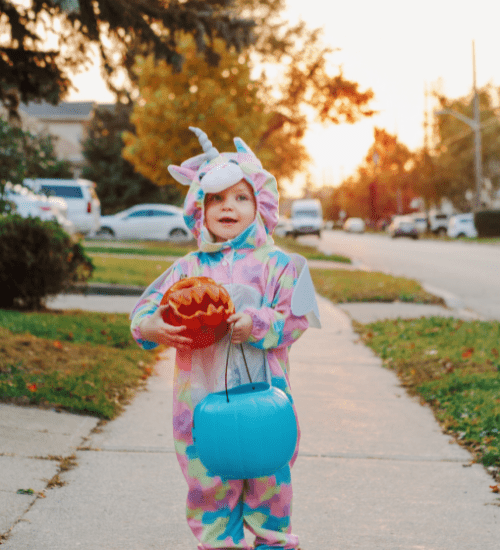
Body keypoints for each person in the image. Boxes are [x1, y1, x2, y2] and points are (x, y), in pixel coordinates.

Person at [130, 127, 320, 550]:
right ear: (199, 210)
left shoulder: (277, 265)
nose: (227, 207)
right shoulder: (187, 267)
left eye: (240, 197)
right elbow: (146, 309)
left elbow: (297, 318)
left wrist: (256, 323)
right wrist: (150, 327)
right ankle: (218, 543)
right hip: (199, 400)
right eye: (216, 199)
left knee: (269, 475)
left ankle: (272, 539)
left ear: (260, 205)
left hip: (266, 397)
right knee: (208, 480)